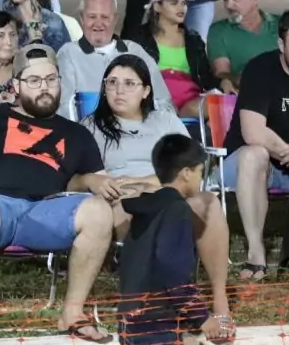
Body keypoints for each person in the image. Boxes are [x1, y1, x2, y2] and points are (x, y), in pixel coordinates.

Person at [0, 44, 114, 345]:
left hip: (45, 209)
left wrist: (89, 180)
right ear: (17, 85)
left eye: (51, 79)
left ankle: (72, 314)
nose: (44, 87)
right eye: (34, 81)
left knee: (99, 212)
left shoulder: (77, 134)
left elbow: (79, 183)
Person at [82, 55, 231, 317]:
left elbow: (193, 166)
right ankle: (163, 300)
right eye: (112, 82)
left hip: (169, 193)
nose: (119, 90)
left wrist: (149, 182)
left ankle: (219, 303)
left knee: (209, 203)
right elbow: (88, 176)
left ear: (146, 90)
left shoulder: (165, 121)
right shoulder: (91, 128)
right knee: (149, 208)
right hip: (126, 201)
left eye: (130, 83)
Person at [118, 134, 234, 345]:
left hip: (130, 322)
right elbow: (173, 271)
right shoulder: (177, 210)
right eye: (201, 172)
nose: (201, 179)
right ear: (186, 172)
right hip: (155, 328)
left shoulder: (146, 210)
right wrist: (202, 317)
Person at [222, 6, 289, 281]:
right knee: (254, 154)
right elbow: (254, 132)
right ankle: (256, 255)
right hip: (247, 163)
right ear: (281, 44)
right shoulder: (260, 69)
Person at [56, 0, 172, 119]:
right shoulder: (69, 54)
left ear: (115, 19)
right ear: (82, 18)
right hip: (88, 133)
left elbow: (164, 103)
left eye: (105, 17)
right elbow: (63, 108)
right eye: (92, 17)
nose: (98, 24)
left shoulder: (135, 51)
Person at [127, 0, 219, 117]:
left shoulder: (193, 39)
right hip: (155, 98)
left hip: (190, 102)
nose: (181, 8)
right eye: (174, 3)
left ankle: (176, 122)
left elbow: (206, 78)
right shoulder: (140, 39)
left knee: (218, 105)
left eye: (183, 3)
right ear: (157, 6)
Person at [207, 0, 280, 92]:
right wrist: (242, 79)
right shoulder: (218, 31)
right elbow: (221, 72)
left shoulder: (282, 24)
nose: (229, 5)